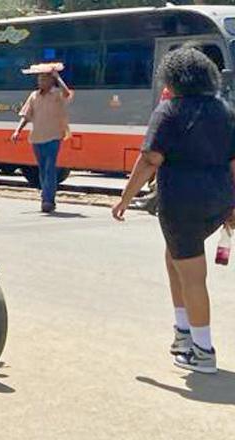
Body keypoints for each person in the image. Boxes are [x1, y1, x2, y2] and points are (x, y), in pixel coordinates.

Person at [112, 48, 235, 374]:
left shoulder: (169, 110)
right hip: (217, 200)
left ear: (172, 79)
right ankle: (183, 333)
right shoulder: (226, 111)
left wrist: (125, 197)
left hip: (181, 204)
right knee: (174, 259)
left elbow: (151, 159)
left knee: (193, 276)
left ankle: (202, 351)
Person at [10, 66, 73, 213]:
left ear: (51, 81)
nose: (41, 82)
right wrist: (17, 130)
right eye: (40, 79)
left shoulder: (57, 94)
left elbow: (67, 93)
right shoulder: (34, 96)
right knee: (43, 170)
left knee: (50, 169)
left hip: (54, 136)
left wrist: (57, 77)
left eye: (44, 79)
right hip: (37, 138)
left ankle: (47, 200)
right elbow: (26, 115)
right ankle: (46, 196)